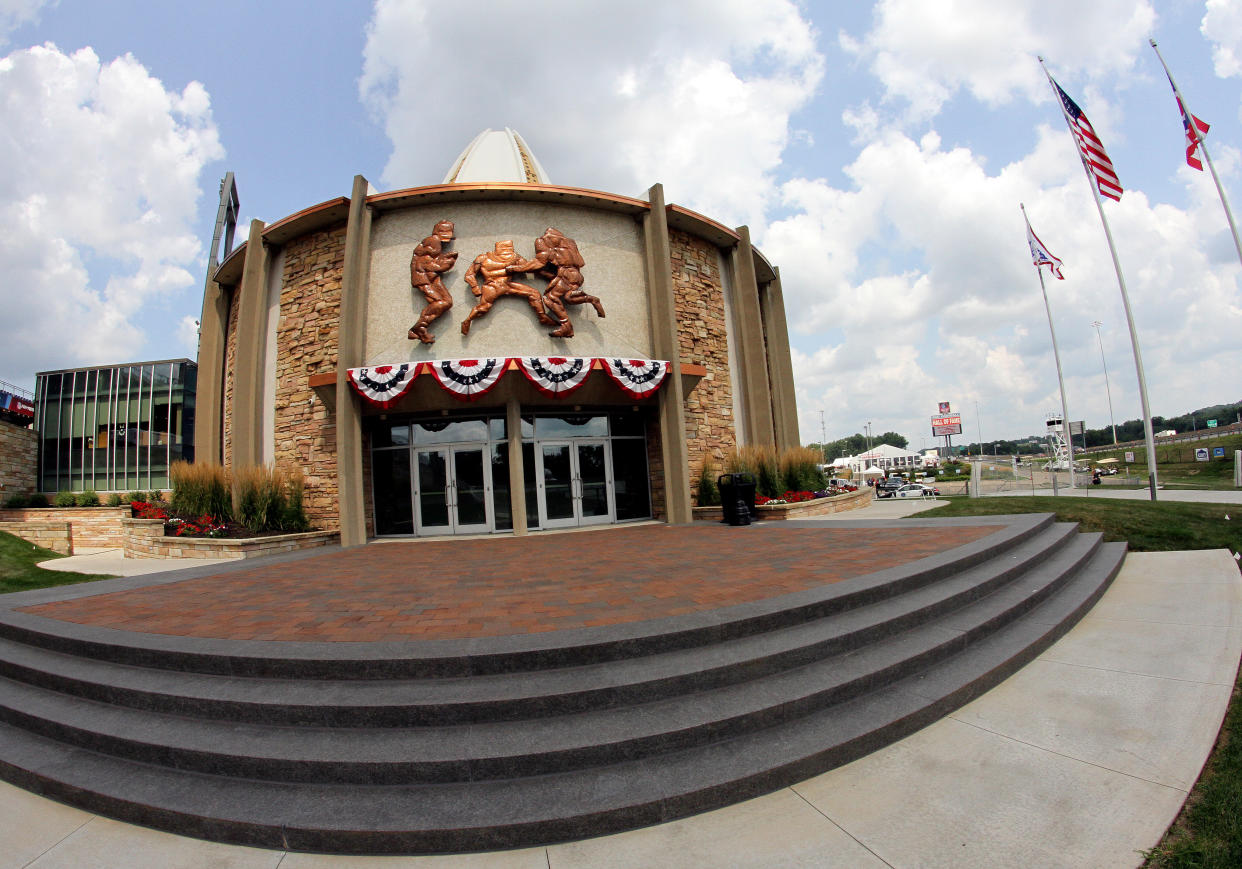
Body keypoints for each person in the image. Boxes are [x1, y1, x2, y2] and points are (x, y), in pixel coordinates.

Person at [507, 227, 605, 338]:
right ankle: (590, 299)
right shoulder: (569, 243)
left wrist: (516, 269)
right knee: (568, 298)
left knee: (549, 297)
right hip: (576, 275)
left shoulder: (543, 241)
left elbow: (538, 262)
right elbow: (579, 262)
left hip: (565, 274)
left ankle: (566, 327)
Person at [460, 240, 557, 335]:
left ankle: (542, 317)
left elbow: (529, 268)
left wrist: (548, 275)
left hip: (507, 285)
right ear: (497, 250)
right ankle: (467, 320)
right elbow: (469, 275)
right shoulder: (482, 258)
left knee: (534, 293)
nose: (506, 254)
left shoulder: (515, 257)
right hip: (492, 286)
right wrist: (475, 288)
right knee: (483, 308)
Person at [407, 220, 458, 344]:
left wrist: (445, 258)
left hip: (432, 277)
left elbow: (432, 261)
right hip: (423, 278)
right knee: (441, 302)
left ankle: (420, 329)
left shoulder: (433, 243)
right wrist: (449, 262)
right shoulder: (433, 241)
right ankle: (418, 328)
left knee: (447, 302)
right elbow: (429, 265)